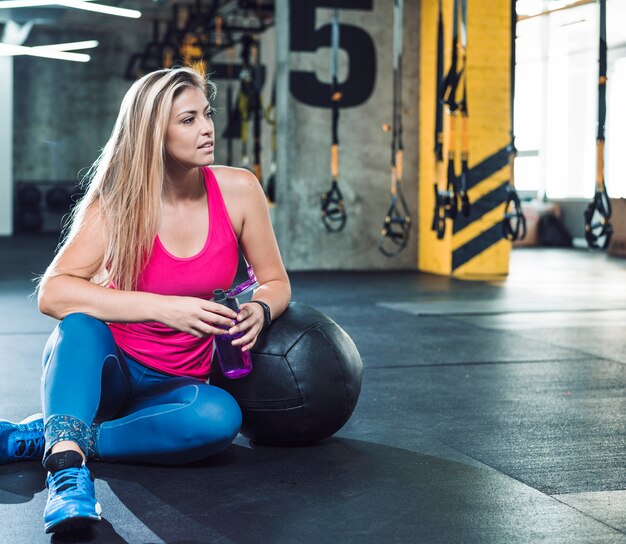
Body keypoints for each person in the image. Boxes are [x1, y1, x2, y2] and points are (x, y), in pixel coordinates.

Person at [0, 66, 291, 534]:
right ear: (154, 133)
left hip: (175, 384)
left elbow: (275, 280)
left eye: (207, 114)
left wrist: (260, 307)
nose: (208, 128)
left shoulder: (239, 189)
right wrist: (163, 306)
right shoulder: (118, 203)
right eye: (188, 119)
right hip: (110, 373)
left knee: (220, 418)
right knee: (78, 326)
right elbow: (52, 292)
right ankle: (68, 475)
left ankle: (56, 437)